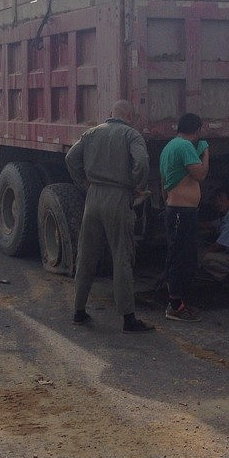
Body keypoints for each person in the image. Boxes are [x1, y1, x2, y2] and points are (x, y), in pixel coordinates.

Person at [66, 100, 154, 334]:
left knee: (86, 255)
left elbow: (70, 159)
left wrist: (83, 182)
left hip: (93, 196)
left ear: (109, 113)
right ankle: (128, 318)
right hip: (118, 196)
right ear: (130, 116)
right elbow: (142, 162)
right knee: (121, 256)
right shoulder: (131, 135)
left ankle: (78, 311)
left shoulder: (91, 133)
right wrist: (138, 186)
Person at [159, 112, 209, 322]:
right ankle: (175, 306)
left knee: (178, 255)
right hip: (182, 212)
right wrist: (206, 152)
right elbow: (200, 175)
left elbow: (164, 182)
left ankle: (177, 302)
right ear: (197, 130)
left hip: (175, 209)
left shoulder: (169, 147)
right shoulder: (186, 147)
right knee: (182, 258)